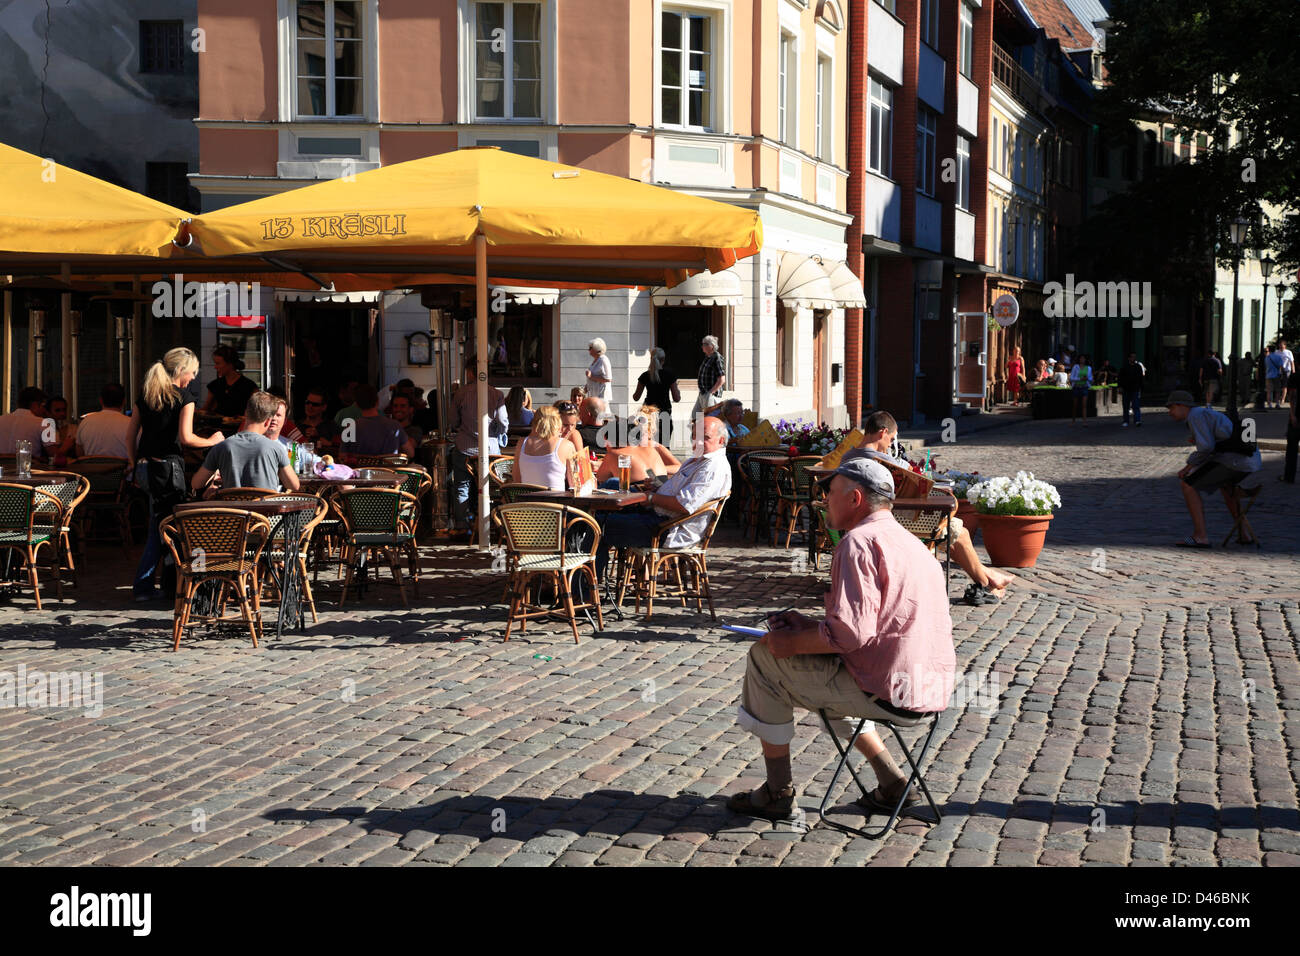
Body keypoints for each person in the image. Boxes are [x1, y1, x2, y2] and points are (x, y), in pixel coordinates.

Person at [725, 456, 955, 822]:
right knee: (828, 672)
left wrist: (792, 642)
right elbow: (870, 626)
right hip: (929, 691)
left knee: (764, 658)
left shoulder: (857, 543)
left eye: (830, 493)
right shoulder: (909, 542)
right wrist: (806, 627)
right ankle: (893, 782)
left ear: (855, 499)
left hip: (886, 692)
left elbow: (851, 634)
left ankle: (777, 792)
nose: (823, 501)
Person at [856, 410, 1014, 604]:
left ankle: (989, 577)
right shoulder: (881, 463)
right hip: (893, 523)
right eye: (890, 440)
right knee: (958, 530)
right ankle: (986, 583)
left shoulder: (848, 457)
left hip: (862, 521)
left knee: (955, 528)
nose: (890, 445)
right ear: (882, 433)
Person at [128, 347, 224, 601]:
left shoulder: (146, 395)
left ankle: (165, 584)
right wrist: (214, 440)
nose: (193, 378)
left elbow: (130, 435)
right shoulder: (184, 396)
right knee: (168, 528)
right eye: (192, 373)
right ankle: (147, 586)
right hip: (168, 469)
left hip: (145, 467)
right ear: (181, 370)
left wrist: (133, 462)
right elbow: (187, 438)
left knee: (159, 525)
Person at [595, 415, 732, 582]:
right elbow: (680, 487)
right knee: (605, 498)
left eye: (706, 438)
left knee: (595, 525)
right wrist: (658, 485)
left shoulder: (712, 467)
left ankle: (584, 591)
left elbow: (684, 504)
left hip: (667, 529)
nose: (698, 441)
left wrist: (651, 497)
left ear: (721, 440)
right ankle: (585, 584)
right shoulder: (699, 460)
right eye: (695, 436)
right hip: (658, 516)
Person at [1166, 390, 1262, 548]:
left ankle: (1200, 536)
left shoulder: (1195, 415)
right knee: (1226, 488)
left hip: (1235, 459)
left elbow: (1206, 447)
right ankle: (1244, 534)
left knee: (1188, 485)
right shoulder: (1202, 414)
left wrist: (1188, 466)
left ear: (1182, 405)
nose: (1170, 413)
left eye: (1171, 408)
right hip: (1248, 459)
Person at [193, 391, 302, 496]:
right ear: (268, 421)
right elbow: (294, 485)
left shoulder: (222, 447)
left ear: (245, 414)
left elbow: (196, 483)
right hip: (266, 513)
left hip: (233, 513)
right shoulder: (276, 448)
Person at [449, 367, 508, 535]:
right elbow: (503, 422)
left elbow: (453, 420)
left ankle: (461, 526)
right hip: (490, 448)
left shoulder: (461, 393)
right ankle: (492, 524)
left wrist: (463, 427)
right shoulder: (496, 394)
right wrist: (495, 432)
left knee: (462, 485)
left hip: (464, 447)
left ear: (469, 373)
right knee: (491, 487)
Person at [594, 407, 681, 487]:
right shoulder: (650, 448)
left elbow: (601, 478)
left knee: (611, 482)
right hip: (662, 488)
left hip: (639, 492)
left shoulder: (615, 453)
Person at [341, 383, 416, 459]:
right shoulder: (394, 425)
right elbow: (410, 453)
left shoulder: (349, 427)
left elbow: (342, 456)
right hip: (389, 470)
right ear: (377, 401)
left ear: (356, 405)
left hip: (359, 470)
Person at [514, 406, 576, 491]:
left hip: (527, 502)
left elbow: (517, 481)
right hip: (555, 502)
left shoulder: (521, 443)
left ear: (535, 422)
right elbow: (575, 484)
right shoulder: (566, 445)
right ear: (557, 423)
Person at [633, 347, 681, 446]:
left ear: (651, 359)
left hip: (648, 413)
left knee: (647, 445)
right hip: (664, 412)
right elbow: (677, 398)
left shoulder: (645, 376)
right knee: (664, 447)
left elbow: (636, 397)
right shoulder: (669, 375)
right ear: (663, 360)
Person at [76, 383, 135, 459]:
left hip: (92, 470)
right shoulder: (132, 425)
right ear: (123, 401)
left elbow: (79, 454)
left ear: (101, 400)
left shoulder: (85, 423)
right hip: (123, 470)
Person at [202, 345, 257, 419]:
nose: (215, 367)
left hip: (240, 428)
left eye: (218, 363)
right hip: (217, 427)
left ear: (230, 364)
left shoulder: (249, 386)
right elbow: (206, 409)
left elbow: (255, 412)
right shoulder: (214, 385)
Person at [0, 387, 56, 459]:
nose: (44, 410)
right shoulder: (44, 423)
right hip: (28, 468)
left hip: (1, 468)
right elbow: (54, 455)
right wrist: (66, 446)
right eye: (43, 405)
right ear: (35, 405)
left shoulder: (1, 419)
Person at [694, 335, 726, 419]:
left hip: (710, 395)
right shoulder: (708, 357)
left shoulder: (717, 358)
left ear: (711, 346)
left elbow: (722, 379)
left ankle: (705, 432)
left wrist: (710, 393)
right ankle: (700, 432)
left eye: (704, 344)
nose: (702, 346)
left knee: (709, 419)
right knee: (696, 417)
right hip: (703, 393)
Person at [45, 396, 77, 461]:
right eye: (57, 410)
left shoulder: (74, 429)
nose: (62, 413)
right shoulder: (45, 429)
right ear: (48, 413)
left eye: (64, 410)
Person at [1117, 353, 1145, 428]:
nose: (1133, 358)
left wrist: (1141, 387)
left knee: (1136, 405)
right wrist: (1120, 387)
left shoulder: (1138, 367)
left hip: (1135, 389)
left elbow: (1141, 378)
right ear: (1129, 358)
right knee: (1126, 406)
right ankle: (1126, 421)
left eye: (1134, 357)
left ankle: (1137, 420)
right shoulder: (1124, 367)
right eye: (1132, 357)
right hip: (1126, 389)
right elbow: (1120, 377)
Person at [1282, 366, 1299, 484]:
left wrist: (1292, 415)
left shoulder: (1295, 376)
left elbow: (1292, 397)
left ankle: (1289, 477)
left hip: (1297, 416)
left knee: (1292, 448)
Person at [1069, 353, 1093, 425]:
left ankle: (1084, 422)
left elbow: (1091, 378)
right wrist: (1080, 379)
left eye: (1083, 358)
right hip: (1076, 387)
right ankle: (1073, 421)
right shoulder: (1075, 367)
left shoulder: (1088, 368)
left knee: (1084, 405)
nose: (1082, 359)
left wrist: (1088, 378)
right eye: (1081, 358)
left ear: (1086, 359)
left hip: (1084, 387)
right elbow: (1071, 378)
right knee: (1075, 405)